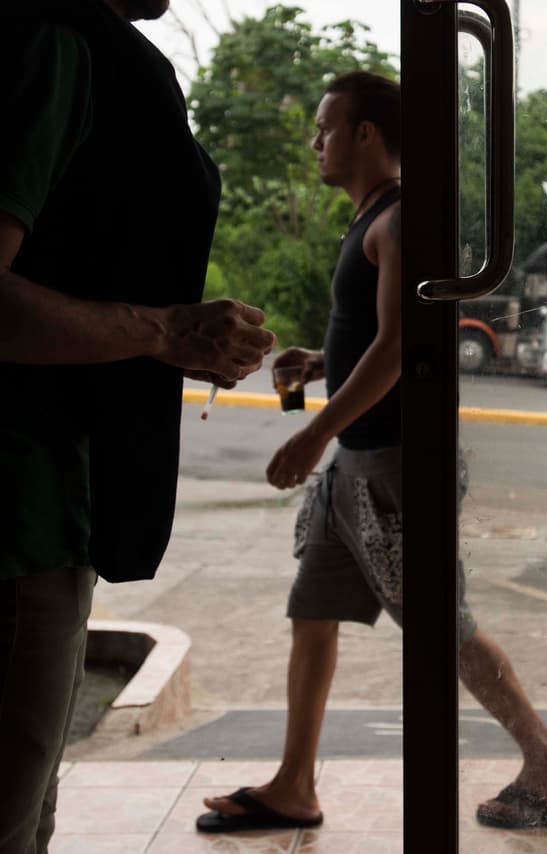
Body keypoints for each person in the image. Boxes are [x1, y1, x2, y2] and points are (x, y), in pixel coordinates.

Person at [195, 69, 547, 833]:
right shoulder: (371, 219)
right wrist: (320, 361)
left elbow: (400, 347)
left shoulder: (400, 219)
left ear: (365, 134)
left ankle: (545, 756)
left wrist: (312, 432)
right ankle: (294, 785)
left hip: (394, 465)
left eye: (324, 127)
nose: (316, 141)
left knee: (442, 623)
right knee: (312, 611)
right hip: (357, 463)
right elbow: (372, 343)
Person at [0, 1, 276, 851]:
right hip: (15, 513)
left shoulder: (87, 50)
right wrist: (163, 332)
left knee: (33, 804)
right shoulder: (48, 46)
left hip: (58, 503)